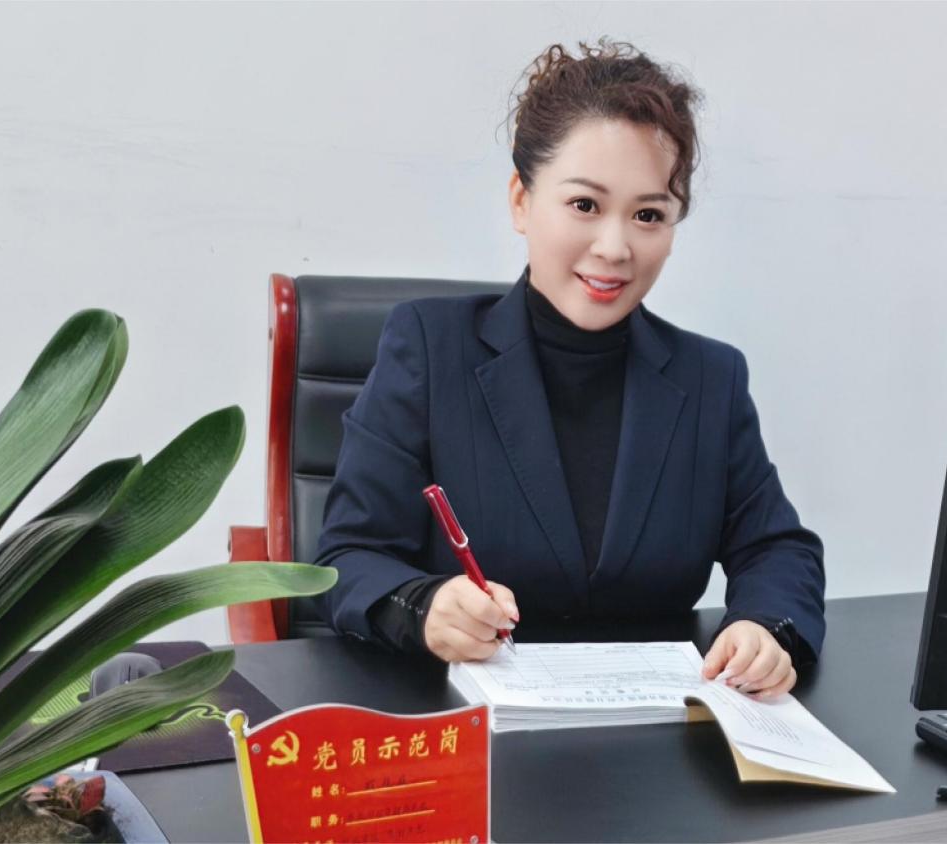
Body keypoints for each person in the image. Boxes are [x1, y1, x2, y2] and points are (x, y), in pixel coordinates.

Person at [315, 38, 824, 701]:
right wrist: (424, 605)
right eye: (585, 205)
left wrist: (764, 627)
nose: (614, 247)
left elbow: (778, 549)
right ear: (521, 201)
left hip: (654, 734)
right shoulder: (429, 348)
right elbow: (345, 559)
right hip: (470, 729)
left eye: (648, 215)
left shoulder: (709, 378)